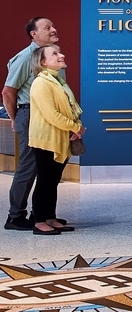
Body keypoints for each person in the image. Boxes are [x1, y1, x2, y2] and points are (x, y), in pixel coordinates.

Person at [4, 18, 62, 231]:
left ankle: (42, 214)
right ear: (34, 34)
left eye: (53, 26)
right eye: (47, 27)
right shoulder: (25, 58)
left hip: (49, 116)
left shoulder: (52, 56)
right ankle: (15, 216)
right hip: (30, 114)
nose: (53, 29)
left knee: (47, 167)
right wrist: (15, 119)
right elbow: (8, 92)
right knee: (29, 166)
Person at [26, 44, 80, 236]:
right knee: (45, 181)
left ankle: (50, 217)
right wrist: (75, 127)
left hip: (59, 137)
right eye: (55, 54)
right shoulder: (42, 83)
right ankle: (39, 221)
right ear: (43, 62)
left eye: (60, 52)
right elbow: (52, 114)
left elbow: (69, 108)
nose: (61, 55)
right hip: (46, 139)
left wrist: (76, 124)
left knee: (52, 180)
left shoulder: (57, 81)